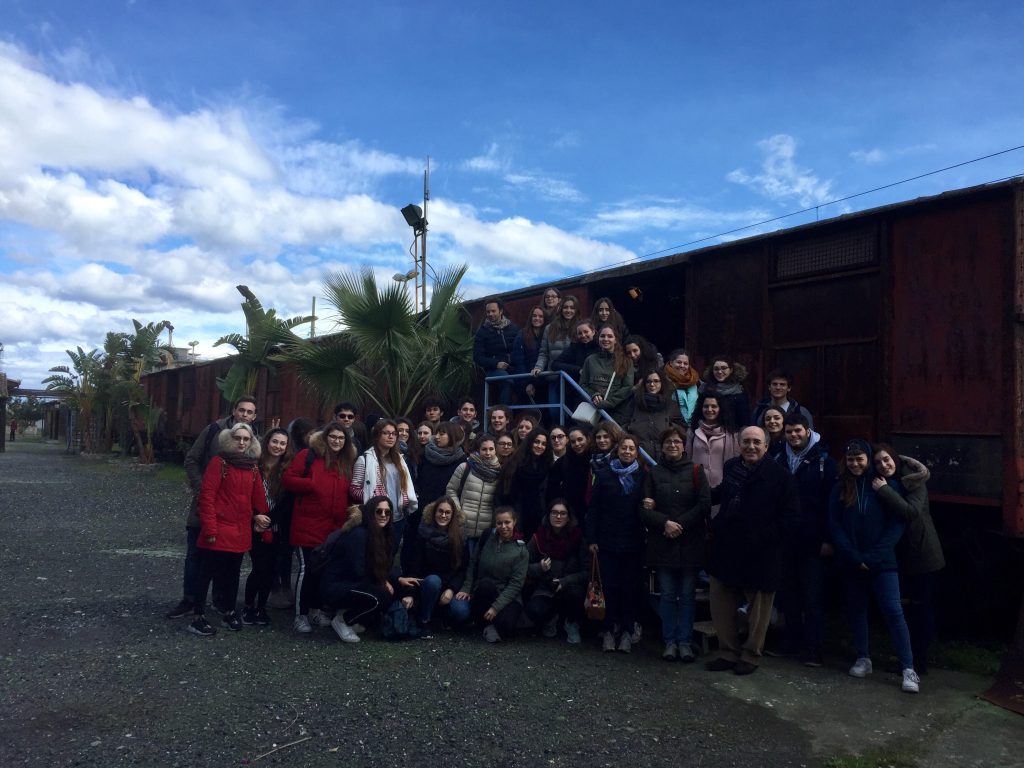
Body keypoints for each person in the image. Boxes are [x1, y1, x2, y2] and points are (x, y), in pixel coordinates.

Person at [705, 426, 799, 675]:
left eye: (757, 442)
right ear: (739, 444)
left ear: (766, 446)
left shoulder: (781, 477)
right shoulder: (732, 467)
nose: (751, 446)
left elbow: (790, 518)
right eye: (746, 441)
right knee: (720, 600)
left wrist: (764, 536)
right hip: (727, 546)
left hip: (761, 550)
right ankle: (727, 652)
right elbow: (723, 495)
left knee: (758, 610)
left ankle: (750, 655)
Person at [829, 439, 920, 693]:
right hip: (852, 561)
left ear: (868, 460)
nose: (856, 464)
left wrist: (874, 556)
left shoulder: (884, 486)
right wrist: (852, 555)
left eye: (860, 459)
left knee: (893, 610)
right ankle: (863, 657)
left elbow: (896, 525)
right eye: (851, 459)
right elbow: (834, 524)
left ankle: (908, 668)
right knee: (857, 609)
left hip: (882, 562)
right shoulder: (840, 487)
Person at [169, 395, 258, 620]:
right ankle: (190, 600)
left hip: (232, 513)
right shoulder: (213, 430)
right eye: (242, 410)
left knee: (225, 559)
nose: (245, 414)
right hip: (205, 506)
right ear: (234, 410)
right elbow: (191, 460)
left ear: (254, 416)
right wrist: (204, 489)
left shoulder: (252, 438)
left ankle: (220, 601)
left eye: (249, 412)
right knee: (196, 556)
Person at [188, 423, 269, 636]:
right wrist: (210, 529)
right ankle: (198, 616)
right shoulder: (219, 462)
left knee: (233, 573)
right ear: (229, 439)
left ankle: (230, 612)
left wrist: (261, 516)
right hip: (219, 528)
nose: (241, 442)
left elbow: (258, 498)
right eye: (237, 438)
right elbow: (207, 497)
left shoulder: (252, 467)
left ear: (251, 442)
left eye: (246, 439)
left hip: (241, 530)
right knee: (206, 573)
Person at [873, 444, 945, 676]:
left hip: (923, 553)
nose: (884, 465)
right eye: (878, 463)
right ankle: (908, 658)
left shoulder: (915, 481)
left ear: (894, 458)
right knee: (903, 607)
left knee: (921, 608)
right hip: (900, 552)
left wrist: (883, 491)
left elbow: (910, 512)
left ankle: (919, 661)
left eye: (887, 460)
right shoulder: (885, 481)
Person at [641, 426, 711, 662]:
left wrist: (678, 524)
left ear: (684, 445)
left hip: (689, 542)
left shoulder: (695, 471)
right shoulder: (653, 473)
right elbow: (644, 508)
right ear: (662, 446)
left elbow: (704, 503)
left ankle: (685, 641)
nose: (672, 445)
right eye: (668, 442)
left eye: (677, 442)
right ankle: (670, 641)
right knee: (669, 594)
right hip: (663, 543)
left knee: (688, 595)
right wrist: (664, 524)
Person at [775, 414, 838, 666]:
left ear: (808, 431)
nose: (793, 436)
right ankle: (792, 642)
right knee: (789, 594)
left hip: (813, 539)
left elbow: (831, 505)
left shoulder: (824, 461)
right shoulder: (779, 458)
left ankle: (814, 649)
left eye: (797, 431)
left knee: (812, 596)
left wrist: (828, 539)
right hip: (786, 538)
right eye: (789, 432)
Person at [282, 421, 356, 634]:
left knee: (322, 570)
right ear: (325, 438)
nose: (336, 441)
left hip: (332, 527)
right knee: (307, 570)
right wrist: (311, 484)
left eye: (341, 438)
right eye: (333, 436)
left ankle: (315, 609)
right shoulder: (308, 455)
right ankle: (300, 614)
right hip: (307, 523)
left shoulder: (345, 462)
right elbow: (288, 480)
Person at [586, 434, 646, 653]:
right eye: (624, 448)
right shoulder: (604, 475)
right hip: (607, 541)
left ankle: (628, 631)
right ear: (617, 450)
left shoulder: (642, 476)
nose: (627, 452)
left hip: (632, 541)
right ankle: (609, 630)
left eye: (631, 449)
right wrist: (592, 539)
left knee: (629, 588)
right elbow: (593, 509)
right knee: (609, 587)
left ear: (636, 452)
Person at [320, 496, 397, 642]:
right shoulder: (359, 534)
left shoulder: (382, 534)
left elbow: (381, 566)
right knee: (381, 596)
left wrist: (396, 579)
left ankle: (352, 617)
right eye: (378, 511)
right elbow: (357, 570)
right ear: (370, 512)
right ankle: (343, 620)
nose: (383, 515)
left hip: (355, 583)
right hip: (338, 584)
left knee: (394, 587)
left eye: (387, 512)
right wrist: (382, 583)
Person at [242, 428, 294, 626]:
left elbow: (287, 502)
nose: (278, 446)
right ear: (267, 442)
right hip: (255, 525)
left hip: (276, 526)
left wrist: (270, 519)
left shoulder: (286, 471)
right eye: (275, 441)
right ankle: (248, 607)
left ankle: (261, 607)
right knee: (259, 567)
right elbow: (245, 494)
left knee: (271, 569)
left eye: (282, 443)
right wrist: (256, 516)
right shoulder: (254, 465)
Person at [457, 506, 529, 643]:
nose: (503, 527)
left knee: (507, 626)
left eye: (507, 522)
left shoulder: (521, 550)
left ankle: (493, 622)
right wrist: (466, 587)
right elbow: (474, 563)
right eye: (499, 523)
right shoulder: (487, 536)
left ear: (514, 522)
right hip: (485, 591)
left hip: (507, 594)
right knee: (486, 585)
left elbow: (516, 584)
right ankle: (486, 624)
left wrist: (496, 607)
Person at [350, 419, 418, 559]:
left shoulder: (400, 461)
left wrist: (405, 500)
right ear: (376, 436)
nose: (391, 436)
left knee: (389, 558)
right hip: (375, 518)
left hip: (397, 518)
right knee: (372, 557)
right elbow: (354, 489)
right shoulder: (364, 460)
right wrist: (374, 497)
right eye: (386, 433)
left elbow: (405, 487)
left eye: (394, 434)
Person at [401, 496, 472, 629]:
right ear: (434, 512)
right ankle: (425, 618)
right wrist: (409, 594)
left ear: (453, 515)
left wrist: (451, 589)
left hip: (449, 584)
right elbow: (413, 568)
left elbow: (462, 569)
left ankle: (440, 616)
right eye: (440, 511)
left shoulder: (460, 537)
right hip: (427, 584)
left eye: (447, 512)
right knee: (433, 581)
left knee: (461, 612)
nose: (443, 515)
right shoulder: (423, 533)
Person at [525, 499, 587, 643]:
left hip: (569, 587)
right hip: (545, 588)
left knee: (575, 594)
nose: (558, 517)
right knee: (534, 610)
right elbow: (522, 566)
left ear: (569, 517)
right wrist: (539, 568)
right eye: (554, 513)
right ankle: (551, 617)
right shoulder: (538, 537)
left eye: (562, 513)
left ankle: (571, 622)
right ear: (548, 515)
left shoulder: (578, 538)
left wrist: (565, 582)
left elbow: (586, 572)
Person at [447, 435, 503, 556]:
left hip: (486, 529)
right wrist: (458, 511)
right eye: (484, 449)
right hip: (464, 525)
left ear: (495, 450)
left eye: (491, 449)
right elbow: (451, 490)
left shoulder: (500, 472)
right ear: (478, 450)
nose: (488, 453)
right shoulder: (465, 467)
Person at [686, 392, 740, 514]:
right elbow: (687, 460)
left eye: (714, 406)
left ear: (720, 409)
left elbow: (735, 462)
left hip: (722, 488)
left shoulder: (731, 434)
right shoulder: (692, 432)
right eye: (706, 406)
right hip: (696, 487)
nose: (709, 409)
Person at [496, 427, 552, 542]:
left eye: (543, 444)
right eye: (536, 442)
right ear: (530, 442)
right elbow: (501, 494)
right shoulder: (513, 464)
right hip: (516, 521)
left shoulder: (547, 466)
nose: (540, 446)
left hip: (539, 521)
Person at [580, 324, 635, 425]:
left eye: (610, 336)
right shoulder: (590, 360)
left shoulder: (626, 361)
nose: (606, 339)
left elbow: (627, 387)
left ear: (616, 339)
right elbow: (583, 384)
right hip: (593, 410)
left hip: (617, 412)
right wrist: (594, 395)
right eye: (602, 336)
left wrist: (609, 402)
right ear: (598, 338)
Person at [533, 295, 581, 403]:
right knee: (554, 412)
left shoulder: (581, 328)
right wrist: (538, 367)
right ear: (560, 309)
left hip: (575, 378)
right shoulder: (549, 328)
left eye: (572, 308)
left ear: (576, 310)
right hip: (554, 376)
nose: (568, 310)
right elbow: (543, 353)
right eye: (565, 307)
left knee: (572, 412)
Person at [474, 299, 518, 406]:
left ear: (501, 311)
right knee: (507, 381)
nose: (490, 314)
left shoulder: (513, 328)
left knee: (524, 383)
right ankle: (503, 413)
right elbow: (477, 357)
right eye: (488, 312)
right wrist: (496, 363)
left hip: (513, 367)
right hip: (493, 369)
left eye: (493, 311)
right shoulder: (482, 332)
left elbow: (519, 349)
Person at [415, 422, 467, 511]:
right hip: (423, 507)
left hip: (446, 510)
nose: (437, 437)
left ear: (452, 436)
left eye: (441, 434)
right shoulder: (426, 453)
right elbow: (417, 479)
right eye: (437, 433)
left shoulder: (461, 459)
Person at [628, 369, 679, 459]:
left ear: (662, 383)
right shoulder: (634, 403)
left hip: (664, 459)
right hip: (638, 458)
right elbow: (624, 424)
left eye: (656, 381)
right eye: (649, 381)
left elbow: (681, 427)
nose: (652, 384)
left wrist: (670, 428)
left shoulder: (671, 405)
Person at [547, 426, 591, 528]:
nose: (577, 444)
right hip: (571, 516)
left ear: (587, 439)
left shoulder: (596, 459)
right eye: (573, 441)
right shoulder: (562, 463)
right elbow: (552, 491)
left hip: (593, 513)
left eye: (580, 439)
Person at [702, 355, 750, 429]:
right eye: (716, 369)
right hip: (707, 431)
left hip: (732, 434)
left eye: (724, 368)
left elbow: (744, 420)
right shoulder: (704, 390)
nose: (720, 372)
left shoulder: (739, 391)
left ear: (730, 370)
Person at [511, 306, 546, 403]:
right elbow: (519, 362)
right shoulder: (521, 335)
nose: (537, 318)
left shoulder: (547, 334)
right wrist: (527, 383)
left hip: (543, 380)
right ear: (530, 318)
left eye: (540, 316)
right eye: (534, 316)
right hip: (525, 381)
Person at [663, 348, 700, 424]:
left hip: (693, 426)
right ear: (671, 363)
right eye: (679, 362)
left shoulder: (695, 382)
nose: (682, 366)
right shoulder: (663, 381)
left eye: (685, 363)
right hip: (672, 427)